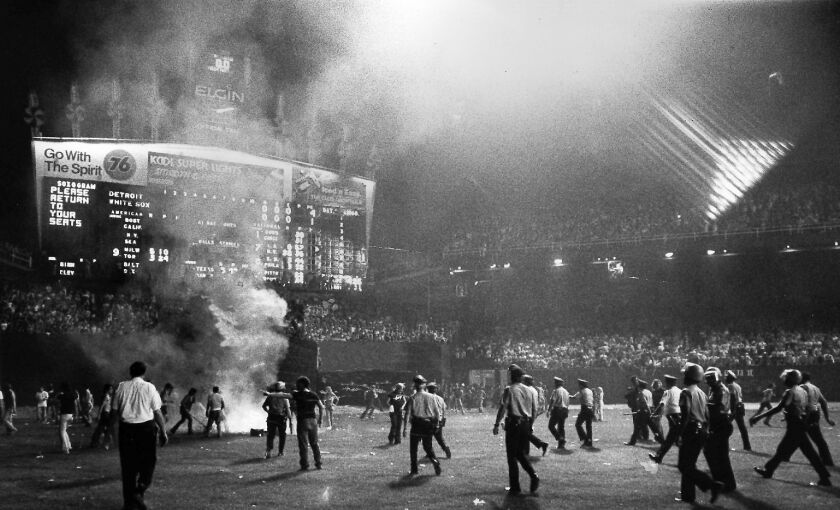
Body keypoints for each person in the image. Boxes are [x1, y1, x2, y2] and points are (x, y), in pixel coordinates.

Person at [751, 369, 831, 486]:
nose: (783, 380)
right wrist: (804, 421)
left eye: (785, 378)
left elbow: (778, 408)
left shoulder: (790, 392)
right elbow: (808, 409)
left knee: (787, 450)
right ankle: (824, 477)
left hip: (794, 426)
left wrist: (758, 417)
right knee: (801, 452)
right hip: (800, 425)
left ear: (790, 379)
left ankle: (768, 470)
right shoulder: (802, 391)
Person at [110, 361, 168, 510]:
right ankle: (140, 489)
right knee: (148, 462)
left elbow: (114, 412)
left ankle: (129, 503)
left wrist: (111, 431)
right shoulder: (149, 387)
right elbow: (157, 412)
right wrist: (163, 431)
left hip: (126, 430)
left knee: (128, 466)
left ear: (130, 372)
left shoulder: (121, 386)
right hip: (146, 429)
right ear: (144, 373)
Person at [676, 363, 724, 504]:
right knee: (689, 464)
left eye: (685, 374)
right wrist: (707, 430)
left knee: (683, 466)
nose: (683, 376)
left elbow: (685, 416)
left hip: (691, 430)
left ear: (689, 376)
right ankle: (688, 496)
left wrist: (679, 434)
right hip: (702, 430)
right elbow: (707, 415)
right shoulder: (702, 393)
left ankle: (712, 485)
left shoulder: (685, 392)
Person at [493, 365, 538, 496]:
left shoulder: (509, 389)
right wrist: (530, 424)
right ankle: (533, 474)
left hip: (514, 423)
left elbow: (503, 408)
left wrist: (496, 424)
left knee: (511, 456)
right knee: (519, 453)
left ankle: (515, 487)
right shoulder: (529, 390)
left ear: (513, 377)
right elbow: (534, 409)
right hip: (525, 423)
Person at [264, 376, 325, 470]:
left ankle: (305, 465)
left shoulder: (298, 394)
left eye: (298, 384)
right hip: (313, 421)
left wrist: (270, 394)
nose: (297, 385)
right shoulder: (314, 394)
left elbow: (283, 395)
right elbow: (321, 407)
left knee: (303, 444)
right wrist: (320, 420)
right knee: (314, 443)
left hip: (302, 422)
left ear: (303, 384)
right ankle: (318, 463)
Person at [703, 367, 736, 493]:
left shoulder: (720, 390)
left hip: (721, 424)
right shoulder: (716, 388)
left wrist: (703, 405)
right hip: (719, 424)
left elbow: (717, 407)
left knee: (713, 452)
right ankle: (724, 482)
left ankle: (722, 482)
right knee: (719, 455)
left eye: (710, 381)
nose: (709, 383)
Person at [405, 375, 442, 476]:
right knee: (428, 447)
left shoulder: (412, 397)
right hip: (428, 424)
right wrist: (437, 424)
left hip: (417, 424)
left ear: (415, 386)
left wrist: (404, 428)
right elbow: (437, 412)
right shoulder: (432, 397)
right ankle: (435, 461)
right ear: (424, 385)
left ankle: (414, 469)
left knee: (413, 448)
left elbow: (408, 413)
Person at [800, 372, 835, 467]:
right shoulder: (815, 388)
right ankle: (783, 456)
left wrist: (805, 417)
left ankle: (826, 461)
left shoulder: (803, 387)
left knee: (815, 439)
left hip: (808, 414)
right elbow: (823, 402)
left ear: (802, 378)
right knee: (797, 436)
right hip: (815, 414)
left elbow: (805, 404)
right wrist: (827, 418)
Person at [649, 374, 682, 464]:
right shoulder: (680, 391)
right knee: (675, 439)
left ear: (668, 383)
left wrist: (654, 413)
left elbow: (662, 404)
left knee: (670, 439)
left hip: (672, 417)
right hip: (681, 415)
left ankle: (658, 457)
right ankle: (659, 457)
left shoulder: (668, 392)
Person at [262, 381, 290, 459]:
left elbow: (264, 406)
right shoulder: (285, 398)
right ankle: (280, 452)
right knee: (282, 435)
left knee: (270, 435)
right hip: (281, 418)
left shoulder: (270, 396)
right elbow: (288, 410)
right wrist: (289, 417)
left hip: (271, 417)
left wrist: (268, 412)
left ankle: (269, 452)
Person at [522, 375, 549, 456]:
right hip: (532, 413)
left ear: (525, 381)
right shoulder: (533, 389)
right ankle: (526, 451)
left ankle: (542, 444)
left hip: (527, 414)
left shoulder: (527, 390)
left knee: (524, 433)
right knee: (526, 433)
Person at [725, 370, 751, 451]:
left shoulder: (730, 386)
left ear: (729, 378)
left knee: (724, 426)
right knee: (742, 428)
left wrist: (732, 411)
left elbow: (732, 398)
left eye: (726, 377)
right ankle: (747, 446)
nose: (725, 378)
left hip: (735, 408)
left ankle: (724, 445)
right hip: (740, 407)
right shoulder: (738, 386)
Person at [427, 381, 452, 458]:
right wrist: (443, 419)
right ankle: (446, 450)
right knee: (439, 438)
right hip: (439, 420)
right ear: (436, 390)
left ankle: (430, 453)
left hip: (430, 420)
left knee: (428, 437)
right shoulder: (440, 398)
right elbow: (444, 408)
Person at [547, 376, 570, 449]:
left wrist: (549, 410)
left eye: (555, 382)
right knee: (561, 427)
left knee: (551, 426)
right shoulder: (566, 391)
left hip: (557, 410)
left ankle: (560, 438)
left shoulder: (556, 391)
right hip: (565, 410)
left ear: (557, 383)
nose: (554, 384)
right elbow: (568, 402)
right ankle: (561, 445)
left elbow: (552, 400)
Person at [571, 379, 595, 447]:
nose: (578, 386)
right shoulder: (590, 391)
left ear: (581, 385)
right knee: (589, 427)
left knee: (578, 425)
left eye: (579, 385)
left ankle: (585, 440)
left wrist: (567, 395)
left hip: (584, 409)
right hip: (591, 409)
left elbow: (574, 397)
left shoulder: (581, 391)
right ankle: (589, 443)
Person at [90, 383, 114, 450]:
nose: (112, 390)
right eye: (111, 389)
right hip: (105, 414)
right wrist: (99, 415)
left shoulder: (107, 396)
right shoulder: (106, 396)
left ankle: (95, 442)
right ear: (107, 389)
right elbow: (102, 406)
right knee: (106, 428)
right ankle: (105, 443)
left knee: (101, 429)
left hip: (106, 414)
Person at [57, 382, 76, 454]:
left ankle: (66, 448)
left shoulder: (62, 395)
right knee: (64, 430)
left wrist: (61, 393)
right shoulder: (72, 394)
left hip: (64, 415)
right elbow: (76, 396)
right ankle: (69, 445)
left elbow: (57, 397)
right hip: (71, 415)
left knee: (61, 431)